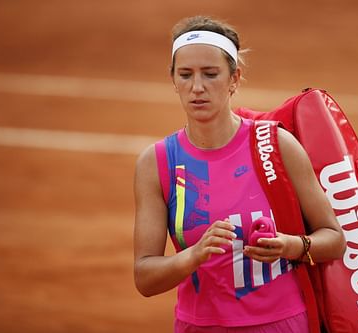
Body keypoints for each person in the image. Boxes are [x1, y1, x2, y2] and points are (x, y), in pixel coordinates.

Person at [134, 16, 346, 333]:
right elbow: (145, 277)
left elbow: (335, 239)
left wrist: (291, 246)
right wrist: (193, 256)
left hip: (280, 325)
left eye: (211, 74)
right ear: (173, 80)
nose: (197, 87)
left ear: (235, 78)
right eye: (185, 75)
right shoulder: (157, 162)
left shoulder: (276, 146)